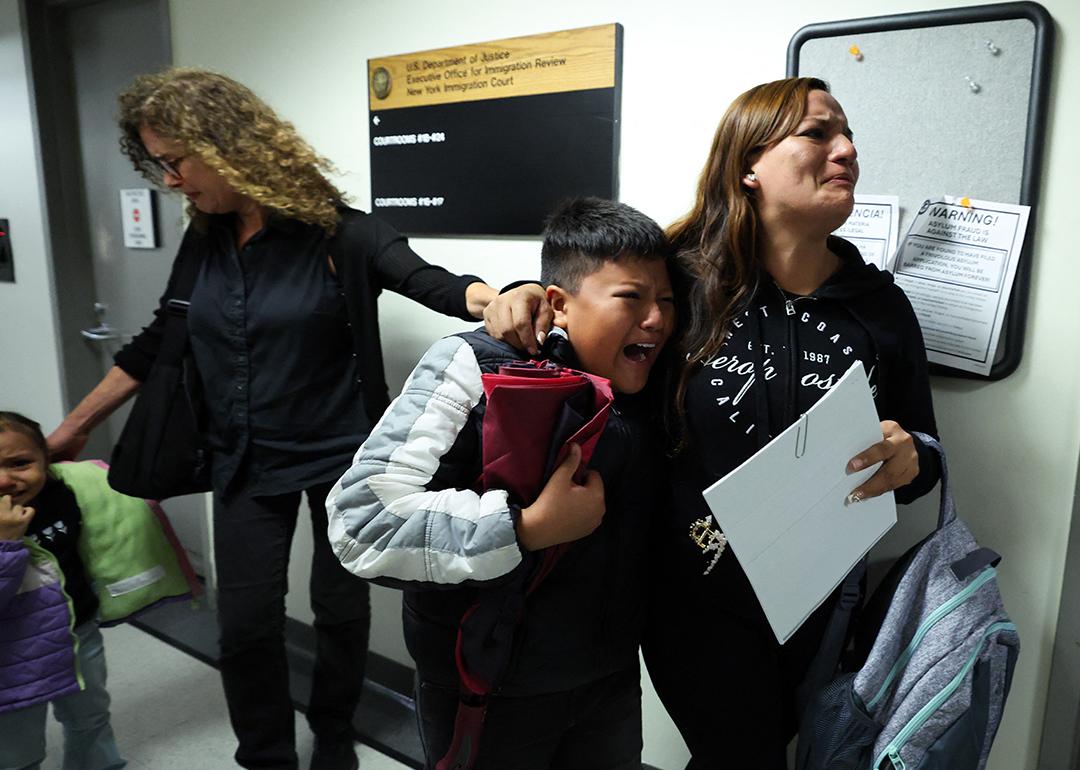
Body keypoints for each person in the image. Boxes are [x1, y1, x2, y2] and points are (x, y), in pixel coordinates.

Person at [45, 68, 538, 770]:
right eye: (158, 164)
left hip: (342, 461)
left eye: (176, 160)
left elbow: (432, 281)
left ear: (228, 145)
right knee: (244, 627)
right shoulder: (207, 241)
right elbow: (161, 339)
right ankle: (266, 757)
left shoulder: (342, 235)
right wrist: (71, 429)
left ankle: (334, 738)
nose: (172, 179)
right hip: (244, 459)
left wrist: (501, 297)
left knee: (339, 613)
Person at [638, 77, 941, 768]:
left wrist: (912, 459)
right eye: (818, 133)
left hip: (825, 608)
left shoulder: (880, 304)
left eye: (849, 135)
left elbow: (926, 449)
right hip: (695, 605)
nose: (848, 150)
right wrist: (521, 299)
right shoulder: (675, 285)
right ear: (748, 164)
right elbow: (591, 343)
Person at [324, 198, 677, 769]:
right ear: (558, 304)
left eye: (666, 300)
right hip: (485, 690)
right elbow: (361, 521)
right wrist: (524, 528)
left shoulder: (653, 386)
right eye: (631, 298)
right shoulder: (475, 364)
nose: (657, 319)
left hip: (608, 683)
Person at [0, 412, 126, 770]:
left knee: (92, 716)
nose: (5, 480)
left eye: (20, 463)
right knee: (16, 745)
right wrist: (4, 543)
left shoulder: (62, 490)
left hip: (76, 632)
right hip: (9, 654)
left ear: (45, 459)